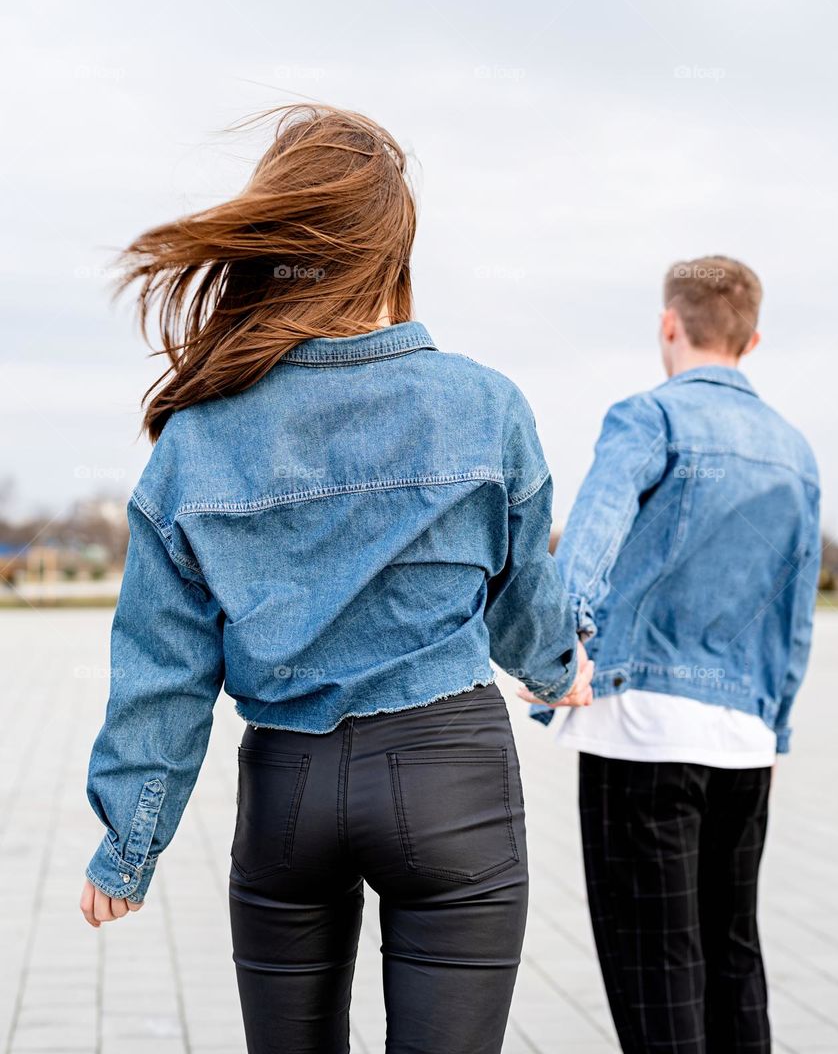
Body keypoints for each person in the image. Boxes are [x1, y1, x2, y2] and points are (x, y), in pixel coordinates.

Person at [79, 104, 593, 1054]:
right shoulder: (485, 405)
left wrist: (129, 842)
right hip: (452, 777)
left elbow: (164, 671)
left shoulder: (199, 439)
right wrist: (562, 671)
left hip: (288, 791)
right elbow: (523, 598)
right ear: (394, 254)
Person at [524, 256, 820, 1054]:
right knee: (732, 957)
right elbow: (795, 616)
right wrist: (776, 724)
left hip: (642, 727)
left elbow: (589, 540)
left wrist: (557, 656)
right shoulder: (796, 452)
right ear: (752, 339)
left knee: (656, 967)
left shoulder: (648, 418)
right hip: (744, 739)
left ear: (668, 323)